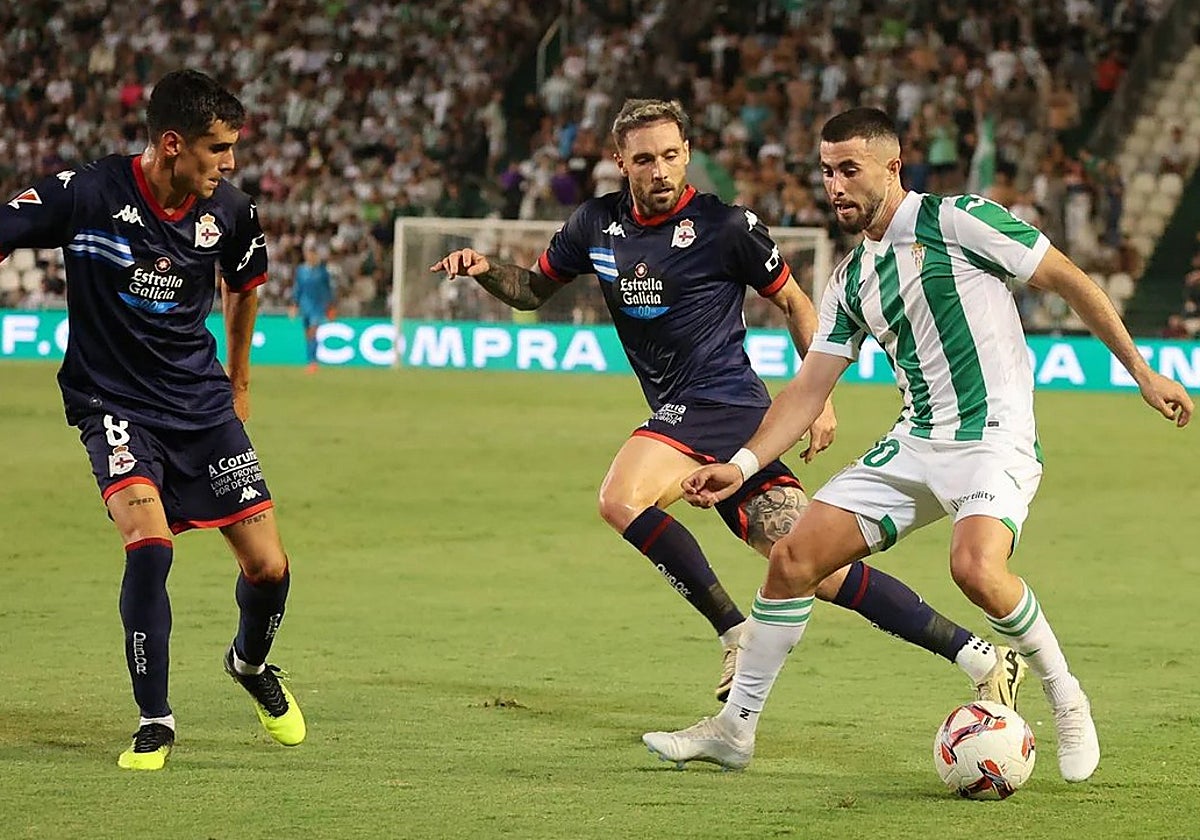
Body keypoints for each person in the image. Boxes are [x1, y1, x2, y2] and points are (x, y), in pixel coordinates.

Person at [644, 106, 1194, 783]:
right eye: (826, 172)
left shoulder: (959, 220)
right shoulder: (850, 277)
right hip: (915, 441)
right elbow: (808, 391)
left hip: (995, 437)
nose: (836, 186)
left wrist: (1140, 370)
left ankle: (1064, 693)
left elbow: (1068, 280)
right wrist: (741, 464)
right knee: (791, 560)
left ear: (892, 167)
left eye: (850, 170)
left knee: (975, 568)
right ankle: (736, 731)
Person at [432, 98, 1026, 709]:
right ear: (619, 163)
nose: (660, 171)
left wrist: (816, 398)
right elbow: (532, 289)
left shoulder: (726, 227)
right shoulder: (594, 225)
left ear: (687, 154)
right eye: (645, 160)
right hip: (707, 420)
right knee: (815, 569)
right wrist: (483, 269)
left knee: (620, 497)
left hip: (725, 405)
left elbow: (796, 302)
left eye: (670, 155)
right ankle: (979, 655)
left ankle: (735, 630)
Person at [0, 69, 306, 770]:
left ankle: (251, 665)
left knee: (269, 569)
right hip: (112, 404)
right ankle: (156, 719)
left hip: (200, 406)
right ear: (173, 144)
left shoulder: (229, 211)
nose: (229, 163)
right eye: (217, 148)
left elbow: (247, 284)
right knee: (150, 541)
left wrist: (238, 380)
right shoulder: (85, 194)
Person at [291, 245, 334, 373]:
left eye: (313, 254)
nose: (311, 257)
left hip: (318, 306)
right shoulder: (301, 270)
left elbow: (328, 290)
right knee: (308, 335)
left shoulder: (322, 272)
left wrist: (330, 306)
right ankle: (310, 360)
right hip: (305, 306)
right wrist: (294, 304)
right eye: (309, 254)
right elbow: (298, 289)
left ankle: (313, 362)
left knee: (312, 332)